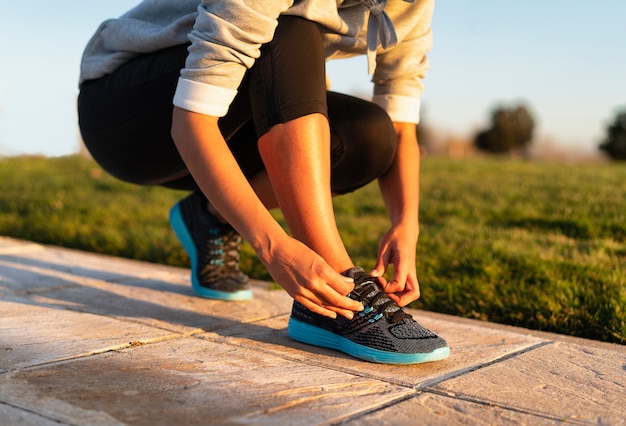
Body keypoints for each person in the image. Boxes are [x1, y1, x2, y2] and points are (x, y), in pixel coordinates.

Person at [78, 0, 449, 364]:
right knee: (289, 26)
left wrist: (406, 224)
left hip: (229, 118)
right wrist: (271, 246)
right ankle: (337, 290)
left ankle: (211, 216)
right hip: (125, 113)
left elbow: (401, 127)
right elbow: (190, 121)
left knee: (368, 137)